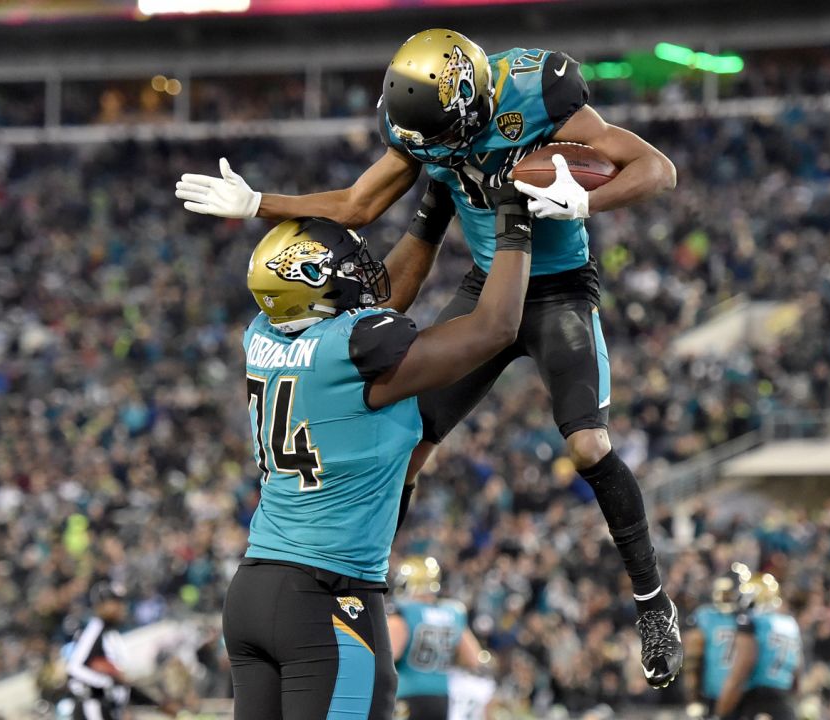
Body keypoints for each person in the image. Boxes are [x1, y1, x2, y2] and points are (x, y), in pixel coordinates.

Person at [175, 25, 683, 689]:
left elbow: (657, 170)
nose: (437, 151)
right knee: (411, 445)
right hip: (489, 279)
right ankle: (366, 583)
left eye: (448, 135)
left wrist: (587, 197)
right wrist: (258, 205)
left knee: (588, 444)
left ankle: (652, 602)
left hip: (558, 285)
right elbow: (359, 204)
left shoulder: (535, 89)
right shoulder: (424, 126)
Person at [222, 186, 532, 720]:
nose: (361, 274)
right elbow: (494, 328)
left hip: (254, 588)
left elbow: (372, 309)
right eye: (346, 266)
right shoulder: (353, 350)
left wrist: (433, 213)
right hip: (327, 594)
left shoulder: (262, 331)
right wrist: (515, 222)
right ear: (316, 283)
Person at [387, 557, 492, 720]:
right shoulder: (453, 613)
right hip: (441, 696)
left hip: (408, 693)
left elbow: (390, 655)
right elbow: (474, 659)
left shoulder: (404, 612)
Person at [62, 581, 179, 720]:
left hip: (110, 709)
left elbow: (123, 683)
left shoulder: (112, 636)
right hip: (93, 707)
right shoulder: (95, 629)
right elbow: (74, 668)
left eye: (121, 602)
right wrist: (106, 683)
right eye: (115, 602)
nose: (121, 607)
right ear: (101, 605)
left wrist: (156, 704)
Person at [714, 573, 802, 720]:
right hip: (784, 703)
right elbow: (797, 672)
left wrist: (721, 711)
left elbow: (743, 665)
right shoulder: (791, 624)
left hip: (758, 703)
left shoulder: (753, 621)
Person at [683, 564, 752, 715]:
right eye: (725, 593)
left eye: (729, 593)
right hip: (716, 693)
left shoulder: (752, 618)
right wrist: (694, 697)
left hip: (745, 694)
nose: (727, 598)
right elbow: (692, 661)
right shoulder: (706, 616)